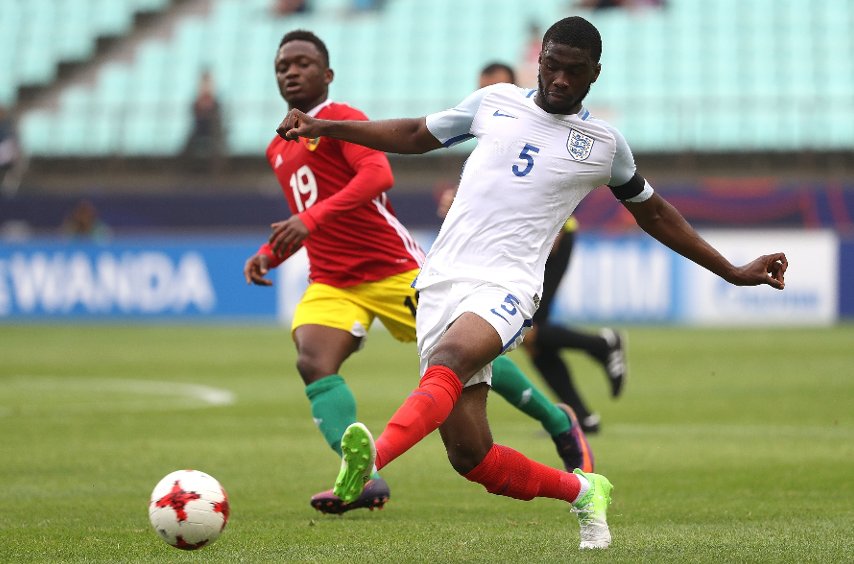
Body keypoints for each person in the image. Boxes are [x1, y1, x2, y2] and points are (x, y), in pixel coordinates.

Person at [277, 16, 787, 550]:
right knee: (472, 459)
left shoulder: (604, 145)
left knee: (452, 359)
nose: (561, 80)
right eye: (553, 66)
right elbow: (412, 135)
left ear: (595, 75)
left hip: (509, 285)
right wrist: (326, 127)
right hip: (440, 283)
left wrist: (730, 270)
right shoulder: (494, 100)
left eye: (575, 72)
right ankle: (584, 491)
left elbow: (654, 213)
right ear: (538, 59)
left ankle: (371, 459)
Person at [243, 30, 595, 517]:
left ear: (326, 75)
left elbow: (378, 177)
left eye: (303, 63)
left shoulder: (341, 121)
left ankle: (557, 420)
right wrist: (270, 252)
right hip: (332, 279)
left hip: (390, 267)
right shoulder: (277, 148)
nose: (291, 71)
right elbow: (306, 212)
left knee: (462, 357)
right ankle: (364, 476)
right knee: (313, 361)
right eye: (283, 65)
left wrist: (311, 219)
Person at [438, 62, 628, 434]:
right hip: (514, 245)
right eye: (481, 88)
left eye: (495, 87)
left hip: (549, 240)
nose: (487, 95)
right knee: (533, 340)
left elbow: (556, 181)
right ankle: (581, 415)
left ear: (515, 87)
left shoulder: (542, 119)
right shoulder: (493, 123)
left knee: (530, 333)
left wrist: (550, 235)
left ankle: (601, 345)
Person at [183, 70, 225, 171]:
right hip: (198, 132)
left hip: (214, 133)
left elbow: (217, 123)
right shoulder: (196, 103)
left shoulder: (216, 104)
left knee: (217, 150)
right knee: (186, 151)